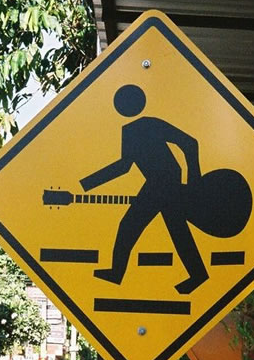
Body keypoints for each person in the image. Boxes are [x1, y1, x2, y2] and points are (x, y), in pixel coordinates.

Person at [80, 84, 209, 294]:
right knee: (175, 228)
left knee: (131, 225)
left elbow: (190, 143)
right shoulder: (130, 130)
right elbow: (125, 166)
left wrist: (195, 180)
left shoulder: (150, 124)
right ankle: (197, 274)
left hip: (165, 182)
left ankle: (117, 272)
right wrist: (87, 184)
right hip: (158, 182)